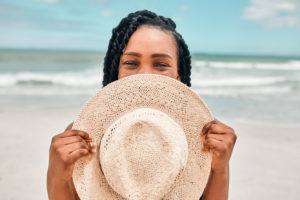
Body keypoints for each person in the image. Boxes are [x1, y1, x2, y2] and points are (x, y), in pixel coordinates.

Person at [47, 10, 237, 200]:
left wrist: (220, 170)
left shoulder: (204, 135)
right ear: (116, 71)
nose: (145, 75)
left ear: (179, 75)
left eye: (161, 64)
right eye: (131, 63)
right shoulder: (83, 134)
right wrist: (58, 176)